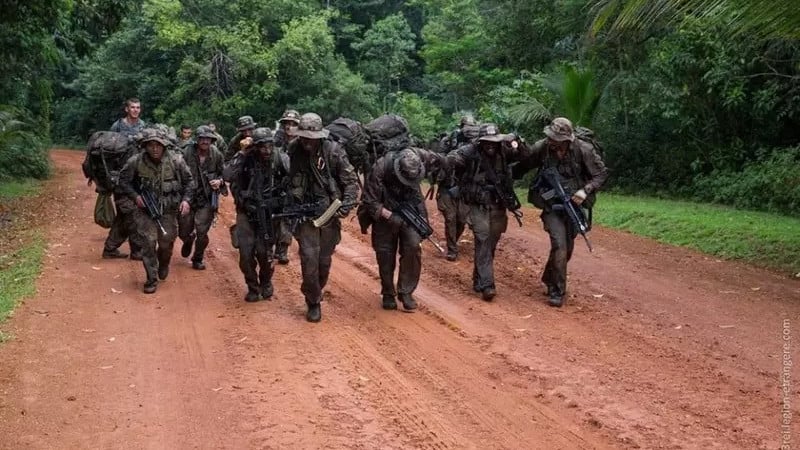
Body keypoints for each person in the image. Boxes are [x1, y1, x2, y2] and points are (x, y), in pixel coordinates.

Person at [517, 117, 608, 307]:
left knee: (567, 249)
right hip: (551, 205)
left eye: (556, 138)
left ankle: (549, 277)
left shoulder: (583, 150)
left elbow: (601, 174)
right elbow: (524, 163)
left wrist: (586, 190)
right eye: (550, 137)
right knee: (559, 244)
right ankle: (557, 291)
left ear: (567, 139)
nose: (551, 141)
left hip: (573, 204)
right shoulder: (543, 147)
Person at [285, 113, 359, 322]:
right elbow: (286, 178)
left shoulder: (333, 151)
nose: (307, 141)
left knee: (324, 262)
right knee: (309, 260)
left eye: (311, 137)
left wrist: (345, 205)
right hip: (305, 215)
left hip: (329, 214)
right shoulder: (293, 150)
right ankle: (313, 300)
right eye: (304, 137)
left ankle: (315, 288)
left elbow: (350, 181)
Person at [446, 123, 529, 301]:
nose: (490, 145)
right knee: (482, 239)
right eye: (486, 142)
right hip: (477, 205)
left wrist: (517, 141)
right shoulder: (471, 151)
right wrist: (457, 159)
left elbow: (525, 156)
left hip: (498, 205)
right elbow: (452, 157)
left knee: (490, 243)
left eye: (493, 141)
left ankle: (478, 278)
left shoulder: (504, 151)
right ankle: (487, 285)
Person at [361, 147, 443, 311]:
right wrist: (389, 216)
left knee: (413, 246)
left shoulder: (421, 159)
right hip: (385, 212)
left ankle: (406, 292)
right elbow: (370, 201)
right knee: (385, 253)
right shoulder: (381, 167)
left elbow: (442, 160)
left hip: (410, 209)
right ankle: (388, 293)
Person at [117, 127, 194, 294]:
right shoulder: (136, 161)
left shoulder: (176, 161)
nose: (154, 148)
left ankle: (164, 263)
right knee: (148, 243)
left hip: (168, 209)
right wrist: (135, 196)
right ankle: (151, 278)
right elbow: (123, 181)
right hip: (144, 211)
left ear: (164, 146)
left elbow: (190, 182)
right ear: (145, 146)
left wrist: (186, 200)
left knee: (166, 244)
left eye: (158, 145)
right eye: (150, 145)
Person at [224, 127, 290, 302]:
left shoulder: (279, 157)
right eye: (262, 147)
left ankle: (266, 281)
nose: (266, 151)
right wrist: (242, 153)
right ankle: (252, 286)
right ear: (255, 147)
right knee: (245, 255)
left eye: (269, 146)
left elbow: (293, 178)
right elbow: (227, 175)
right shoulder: (246, 158)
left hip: (269, 213)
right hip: (246, 211)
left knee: (265, 253)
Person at [102, 97, 148, 260]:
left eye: (138, 107)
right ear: (126, 109)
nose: (136, 110)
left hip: (138, 177)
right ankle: (137, 251)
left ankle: (110, 248)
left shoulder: (143, 127)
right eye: (133, 107)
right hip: (120, 177)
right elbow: (107, 152)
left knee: (124, 216)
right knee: (131, 213)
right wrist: (109, 177)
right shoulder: (117, 126)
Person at [178, 125, 226, 270]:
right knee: (184, 230)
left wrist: (219, 181)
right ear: (197, 139)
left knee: (202, 231)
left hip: (206, 198)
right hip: (188, 196)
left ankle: (197, 258)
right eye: (202, 138)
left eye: (208, 139)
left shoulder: (216, 154)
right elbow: (177, 172)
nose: (205, 141)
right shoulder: (186, 152)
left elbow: (224, 173)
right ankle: (188, 240)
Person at [435, 114, 478, 261]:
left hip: (465, 187)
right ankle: (452, 249)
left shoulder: (477, 144)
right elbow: (439, 158)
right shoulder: (450, 140)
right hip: (448, 185)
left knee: (461, 219)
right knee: (450, 217)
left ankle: (453, 241)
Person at [273, 109, 301, 263]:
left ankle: (282, 249)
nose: (289, 127)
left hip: (295, 186)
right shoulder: (276, 141)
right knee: (273, 216)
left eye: (293, 124)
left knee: (289, 218)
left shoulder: (305, 142)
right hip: (277, 184)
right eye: (286, 124)